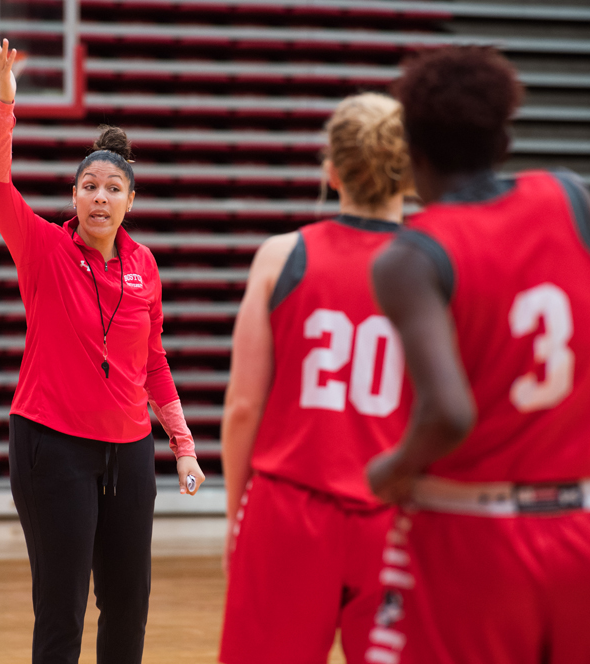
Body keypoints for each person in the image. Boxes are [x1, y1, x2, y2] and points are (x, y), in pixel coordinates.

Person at [365, 46, 590, 664]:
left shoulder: (410, 256)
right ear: (504, 140)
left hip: (476, 532)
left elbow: (449, 414)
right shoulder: (573, 199)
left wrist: (392, 469)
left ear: (412, 153)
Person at [0, 30, 206, 664]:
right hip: (51, 444)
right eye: (89, 187)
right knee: (61, 606)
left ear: (130, 201)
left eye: (113, 188)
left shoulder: (144, 265)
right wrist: (5, 98)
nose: (100, 197)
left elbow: (153, 363)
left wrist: (183, 450)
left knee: (129, 601)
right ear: (74, 197)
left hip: (131, 451)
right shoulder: (44, 249)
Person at [219, 93, 413, 664]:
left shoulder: (282, 257)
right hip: (396, 518)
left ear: (330, 171)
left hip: (289, 512)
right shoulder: (440, 264)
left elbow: (243, 408)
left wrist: (238, 516)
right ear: (408, 171)